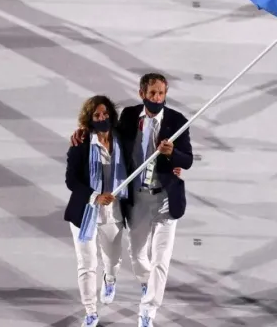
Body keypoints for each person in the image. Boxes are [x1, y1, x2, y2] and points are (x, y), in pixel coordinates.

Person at [70, 73, 193, 327]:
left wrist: (174, 155)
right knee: (137, 258)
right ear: (142, 94)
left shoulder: (177, 121)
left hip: (166, 199)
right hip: (138, 198)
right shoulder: (128, 117)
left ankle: (148, 311)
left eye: (161, 93)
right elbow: (107, 134)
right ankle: (142, 284)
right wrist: (83, 130)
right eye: (152, 94)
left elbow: (187, 160)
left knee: (161, 259)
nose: (157, 98)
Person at [64, 95, 131, 327]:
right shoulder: (81, 144)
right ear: (89, 120)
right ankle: (91, 312)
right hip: (85, 214)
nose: (102, 118)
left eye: (104, 113)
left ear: (111, 115)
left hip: (113, 214)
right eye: (96, 115)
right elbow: (71, 181)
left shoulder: (121, 139)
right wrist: (95, 196)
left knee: (112, 259)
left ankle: (110, 279)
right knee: (87, 264)